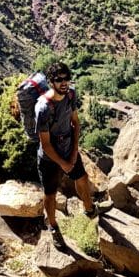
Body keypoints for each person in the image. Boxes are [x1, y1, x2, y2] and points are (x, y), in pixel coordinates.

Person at [34, 61, 97, 244]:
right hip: (49, 157)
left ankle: (90, 209)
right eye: (59, 79)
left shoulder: (71, 94)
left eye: (66, 78)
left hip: (69, 148)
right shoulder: (44, 108)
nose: (64, 83)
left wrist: (74, 152)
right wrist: (64, 163)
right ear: (50, 82)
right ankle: (53, 227)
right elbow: (45, 144)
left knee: (82, 178)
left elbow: (76, 122)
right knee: (50, 194)